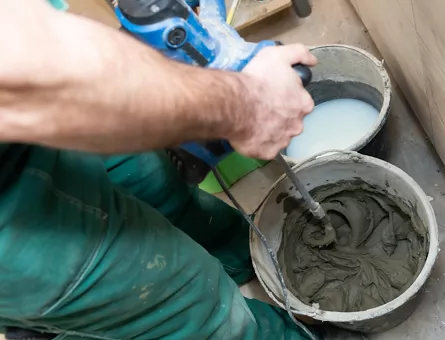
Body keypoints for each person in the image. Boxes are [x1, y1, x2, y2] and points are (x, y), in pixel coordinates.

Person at [0, 1, 317, 339]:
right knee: (193, 304)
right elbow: (19, 79)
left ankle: (243, 258)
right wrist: (247, 104)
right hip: (12, 217)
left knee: (153, 180)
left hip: (35, 97)